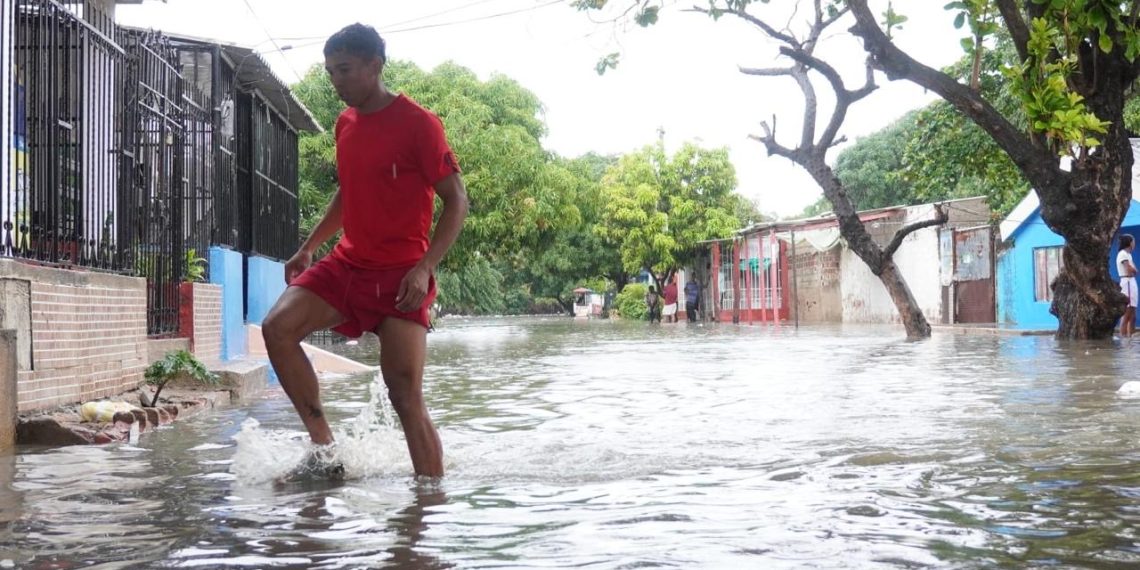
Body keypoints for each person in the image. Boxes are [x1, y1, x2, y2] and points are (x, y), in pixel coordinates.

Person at [261, 23, 468, 479]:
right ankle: (326, 452)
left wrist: (425, 267)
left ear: (374, 66)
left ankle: (428, 508)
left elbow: (457, 199)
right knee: (276, 329)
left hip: (401, 278)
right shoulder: (345, 123)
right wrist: (309, 247)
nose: (336, 81)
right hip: (348, 265)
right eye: (331, 71)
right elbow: (348, 191)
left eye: (345, 70)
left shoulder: (419, 124)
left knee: (405, 396)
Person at [1119, 234, 1137, 338]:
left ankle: (1130, 338)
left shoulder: (1128, 255)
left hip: (1131, 282)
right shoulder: (1122, 254)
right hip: (1127, 283)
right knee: (1127, 314)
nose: (1134, 243)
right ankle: (1124, 339)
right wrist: (1133, 269)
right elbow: (1129, 270)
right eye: (1133, 241)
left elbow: (1133, 269)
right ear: (1129, 242)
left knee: (1133, 315)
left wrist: (1133, 269)